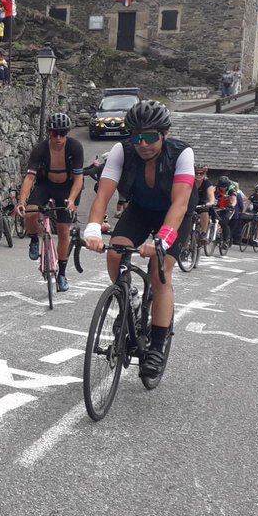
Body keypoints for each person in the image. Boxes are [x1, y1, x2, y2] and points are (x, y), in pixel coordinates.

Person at [84, 101, 196, 380]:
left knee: (160, 272)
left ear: (164, 135)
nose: (143, 144)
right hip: (141, 211)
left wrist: (162, 240)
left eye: (150, 137)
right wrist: (93, 229)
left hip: (174, 215)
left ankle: (157, 345)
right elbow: (103, 196)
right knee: (114, 253)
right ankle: (127, 299)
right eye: (137, 137)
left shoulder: (182, 154)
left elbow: (180, 205)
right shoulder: (123, 151)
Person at [16, 113, 86, 293]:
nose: (59, 138)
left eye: (63, 133)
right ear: (49, 133)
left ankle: (62, 274)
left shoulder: (75, 147)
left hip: (68, 188)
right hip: (46, 185)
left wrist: (71, 200)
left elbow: (79, 179)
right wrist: (21, 203)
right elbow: (30, 178)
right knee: (31, 211)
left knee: (63, 231)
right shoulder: (40, 149)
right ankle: (33, 239)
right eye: (55, 134)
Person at [193, 165, 215, 244]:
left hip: (203, 202)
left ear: (205, 174)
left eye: (201, 173)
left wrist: (211, 202)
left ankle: (203, 233)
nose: (198, 175)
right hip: (192, 201)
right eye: (196, 173)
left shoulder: (207, 182)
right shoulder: (190, 180)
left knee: (204, 211)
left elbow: (211, 194)